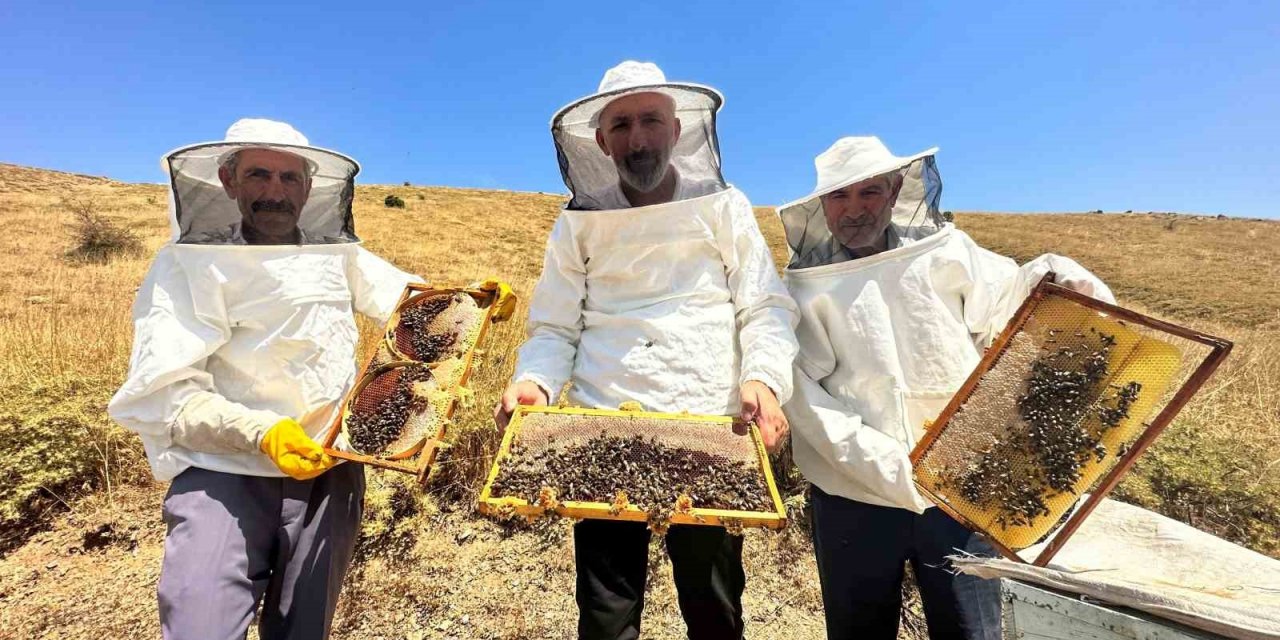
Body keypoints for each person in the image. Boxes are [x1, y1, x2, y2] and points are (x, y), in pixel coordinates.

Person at [495, 61, 799, 640]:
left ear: (677, 131)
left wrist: (763, 377)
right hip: (603, 422)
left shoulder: (724, 206)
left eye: (651, 121)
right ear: (602, 141)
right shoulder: (577, 223)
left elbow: (763, 305)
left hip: (709, 422)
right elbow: (555, 328)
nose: (638, 138)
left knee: (714, 607)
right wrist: (535, 381)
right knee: (607, 616)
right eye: (623, 124)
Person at [778, 136, 1115, 640]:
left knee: (969, 629)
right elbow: (804, 396)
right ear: (822, 207)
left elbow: (1002, 309)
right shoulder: (806, 288)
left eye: (869, 192)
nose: (854, 210)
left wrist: (1054, 278)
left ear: (894, 193)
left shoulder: (947, 252)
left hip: (964, 484)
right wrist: (891, 468)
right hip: (854, 495)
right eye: (840, 197)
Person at [108, 118, 422, 639]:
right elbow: (164, 394)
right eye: (259, 175)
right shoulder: (188, 265)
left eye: (289, 178)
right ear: (229, 181)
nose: (275, 191)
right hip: (223, 473)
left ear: (309, 188)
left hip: (331, 468)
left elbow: (411, 301)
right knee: (199, 625)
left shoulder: (335, 253)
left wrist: (471, 297)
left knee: (303, 628)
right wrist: (261, 432)